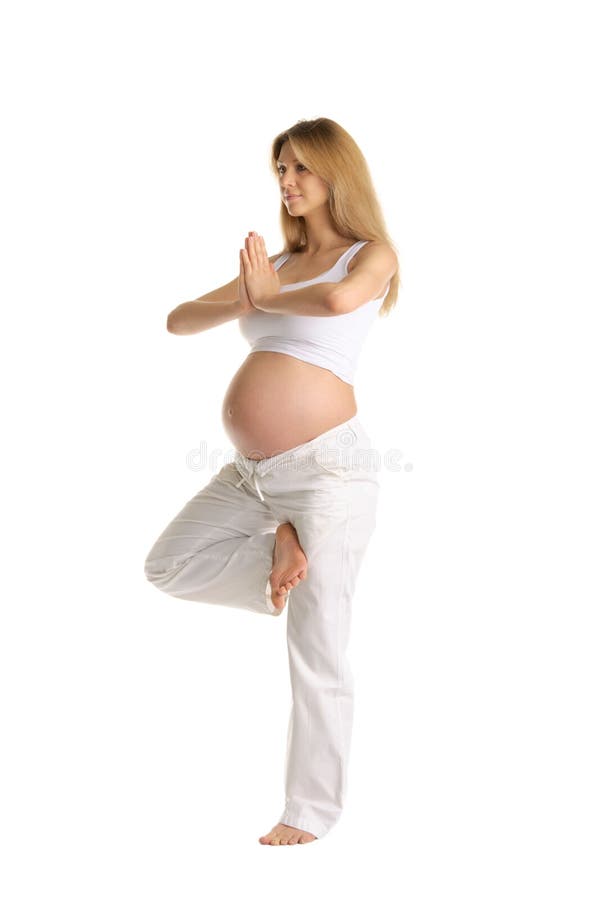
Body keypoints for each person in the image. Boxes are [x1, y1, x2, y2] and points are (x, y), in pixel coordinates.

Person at [144, 117, 400, 845]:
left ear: (335, 176)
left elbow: (340, 303)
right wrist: (248, 296)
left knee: (319, 647)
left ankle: (309, 814)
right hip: (252, 476)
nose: (287, 183)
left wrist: (268, 295)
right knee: (166, 564)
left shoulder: (370, 254)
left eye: (301, 170)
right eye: (280, 169)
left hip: (327, 474)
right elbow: (177, 320)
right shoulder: (276, 267)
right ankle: (276, 556)